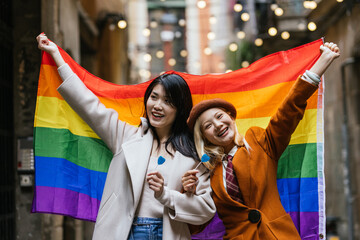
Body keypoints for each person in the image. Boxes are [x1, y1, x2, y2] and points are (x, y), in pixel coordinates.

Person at [36, 33, 216, 240]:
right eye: (154, 97)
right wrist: (56, 55)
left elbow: (205, 210)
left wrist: (166, 195)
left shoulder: (193, 153)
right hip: (124, 232)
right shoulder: (126, 136)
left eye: (168, 101)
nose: (157, 106)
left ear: (180, 109)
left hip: (169, 234)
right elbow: (88, 105)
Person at [182, 42, 340, 239]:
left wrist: (321, 63)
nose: (217, 125)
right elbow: (196, 225)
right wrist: (189, 193)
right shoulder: (207, 173)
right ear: (205, 137)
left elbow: (287, 113)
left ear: (231, 118)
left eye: (220, 117)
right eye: (207, 126)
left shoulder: (258, 143)